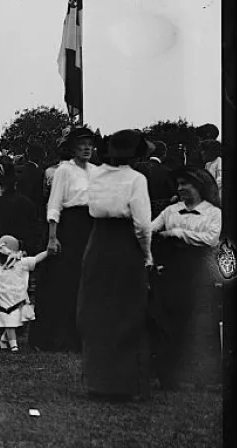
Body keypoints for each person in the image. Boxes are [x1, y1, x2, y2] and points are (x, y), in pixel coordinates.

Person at [76, 129, 155, 400]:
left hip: (97, 243)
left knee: (97, 310)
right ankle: (122, 384)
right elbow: (143, 224)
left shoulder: (95, 175)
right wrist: (146, 254)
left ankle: (97, 382)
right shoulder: (136, 179)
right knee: (126, 311)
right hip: (124, 245)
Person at [149, 166, 223, 390]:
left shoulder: (213, 213)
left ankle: (204, 378)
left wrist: (177, 233)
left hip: (199, 271)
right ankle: (169, 376)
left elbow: (211, 238)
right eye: (178, 184)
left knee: (200, 322)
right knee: (170, 320)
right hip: (172, 270)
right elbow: (151, 229)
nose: (180, 189)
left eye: (185, 184)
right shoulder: (171, 211)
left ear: (199, 186)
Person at [38, 125, 99, 353]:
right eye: (81, 145)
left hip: (91, 226)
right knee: (66, 282)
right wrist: (53, 237)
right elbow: (54, 203)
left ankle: (83, 336)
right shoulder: (64, 170)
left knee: (88, 281)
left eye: (89, 145)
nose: (86, 148)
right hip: (69, 227)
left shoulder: (95, 171)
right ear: (72, 148)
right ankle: (59, 337)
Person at [0, 235, 48, 353]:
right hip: (4, 300)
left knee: (21, 322)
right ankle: (13, 345)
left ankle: (4, 339)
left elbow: (35, 259)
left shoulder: (21, 264)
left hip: (20, 300)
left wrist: (47, 252)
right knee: (10, 322)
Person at [134, 140, 176, 218]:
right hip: (159, 216)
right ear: (164, 154)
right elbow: (173, 196)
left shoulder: (137, 167)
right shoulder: (168, 172)